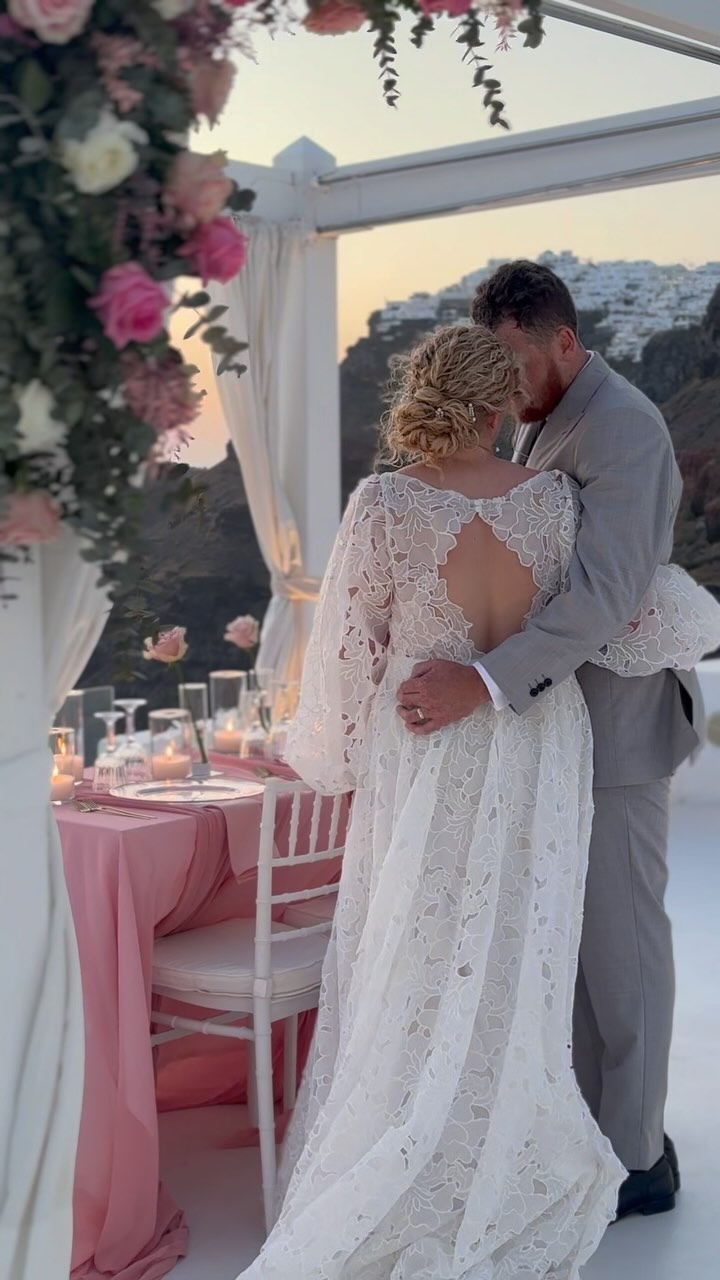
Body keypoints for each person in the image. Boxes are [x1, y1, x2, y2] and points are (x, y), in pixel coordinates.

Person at [238, 323, 720, 1280]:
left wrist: (325, 750)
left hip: (428, 749)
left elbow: (348, 652)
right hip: (538, 747)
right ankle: (511, 1129)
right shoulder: (550, 500)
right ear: (500, 401)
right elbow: (642, 614)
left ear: (420, 395)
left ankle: (419, 1132)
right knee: (517, 943)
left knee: (417, 941)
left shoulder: (382, 504)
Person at [396, 260, 706, 1220]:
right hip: (554, 731)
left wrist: (484, 679)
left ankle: (640, 1161)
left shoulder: (625, 428)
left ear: (565, 341)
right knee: (570, 951)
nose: (505, 384)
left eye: (517, 361)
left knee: (623, 957)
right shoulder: (538, 409)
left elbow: (609, 596)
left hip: (616, 731)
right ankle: (593, 1139)